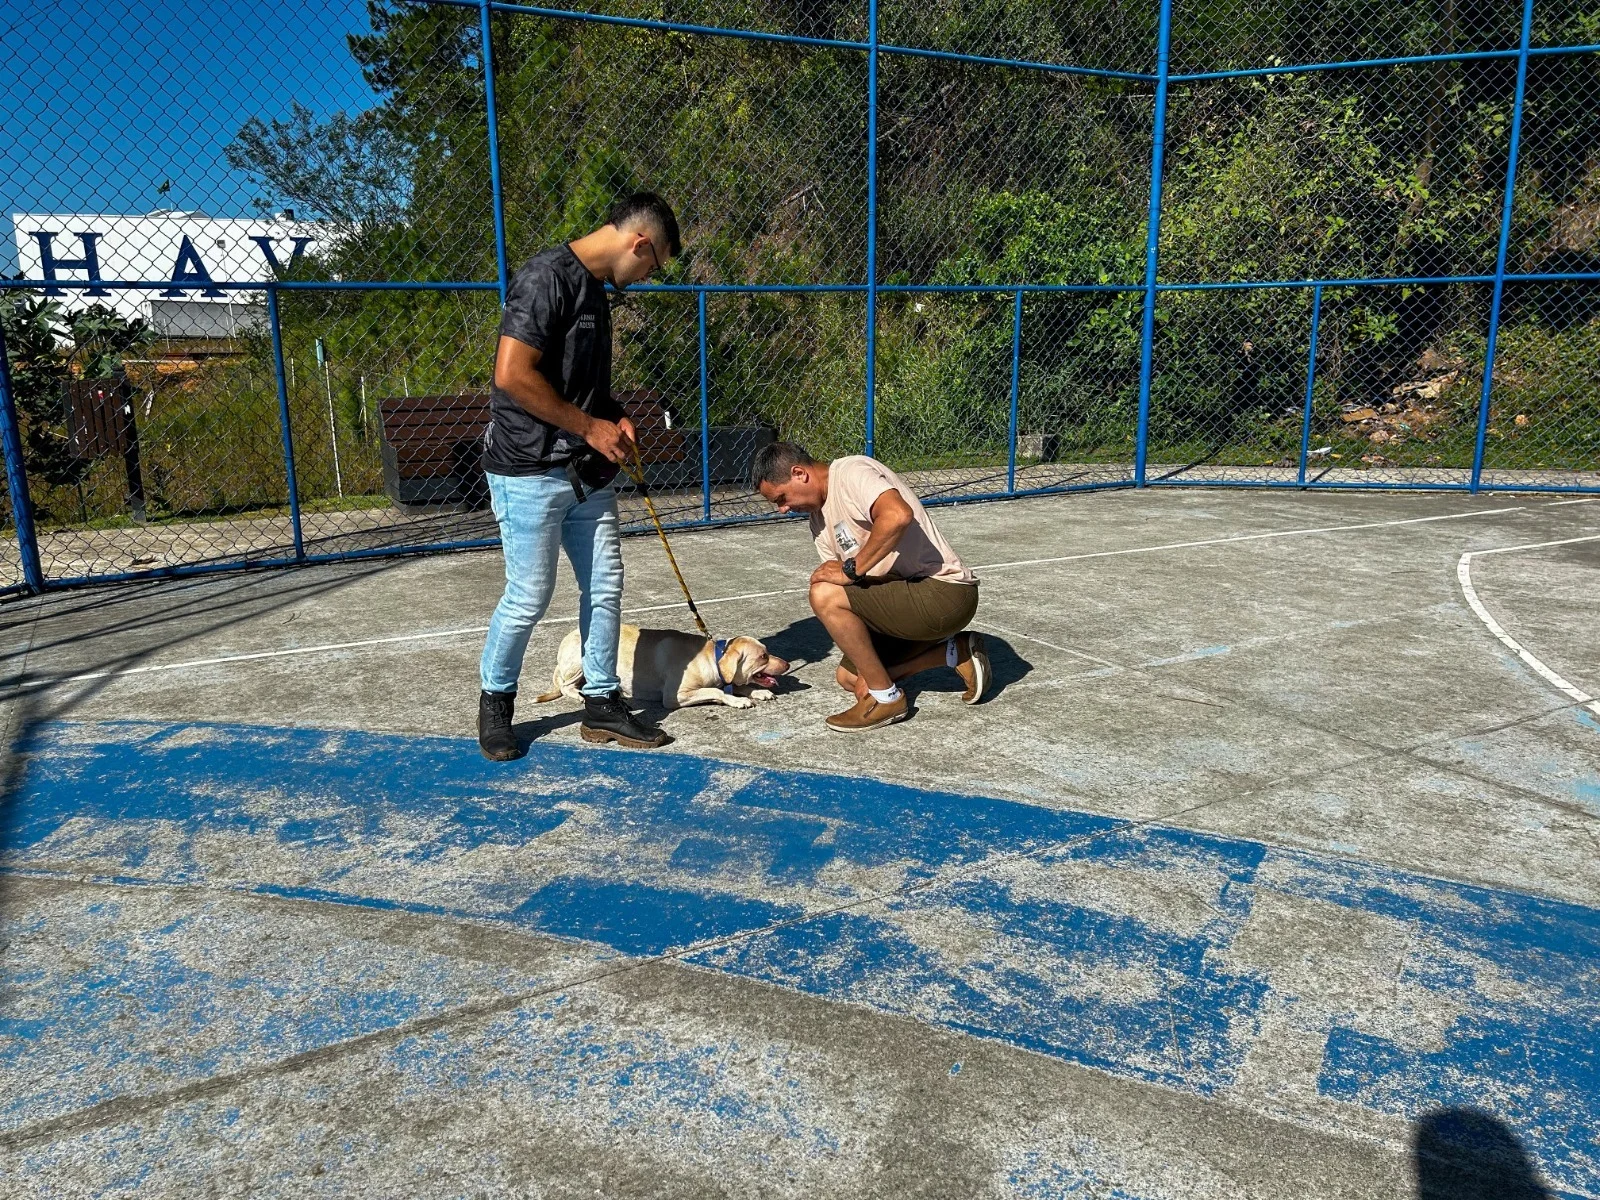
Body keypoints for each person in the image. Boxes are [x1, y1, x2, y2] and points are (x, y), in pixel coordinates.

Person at [477, 193, 682, 761]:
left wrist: (613, 414)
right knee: (529, 596)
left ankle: (601, 703)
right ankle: (495, 704)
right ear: (639, 243)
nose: (648, 277)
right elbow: (512, 374)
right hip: (528, 470)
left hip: (586, 473)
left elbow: (582, 387)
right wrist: (590, 426)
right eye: (654, 264)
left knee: (606, 585)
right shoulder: (545, 278)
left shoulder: (597, 291)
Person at [753, 442, 989, 732]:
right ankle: (954, 652)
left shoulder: (851, 472)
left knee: (824, 595)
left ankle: (887, 699)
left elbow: (897, 515)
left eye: (781, 498)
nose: (783, 509)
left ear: (799, 473)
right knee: (850, 678)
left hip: (943, 593)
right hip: (905, 599)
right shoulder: (818, 521)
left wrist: (851, 569)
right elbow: (853, 588)